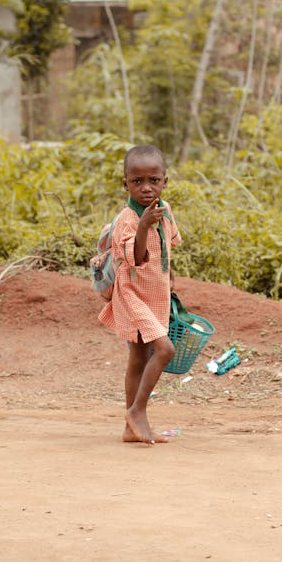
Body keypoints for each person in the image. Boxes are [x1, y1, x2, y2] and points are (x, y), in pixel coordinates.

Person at [98, 144, 181, 444]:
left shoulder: (166, 210)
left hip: (155, 293)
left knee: (138, 356)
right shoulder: (127, 220)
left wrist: (171, 279)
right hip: (132, 294)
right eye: (137, 181)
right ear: (125, 183)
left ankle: (128, 429)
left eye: (153, 180)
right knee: (165, 350)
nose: (146, 188)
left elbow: (169, 245)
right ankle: (137, 412)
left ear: (164, 181)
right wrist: (144, 224)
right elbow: (138, 256)